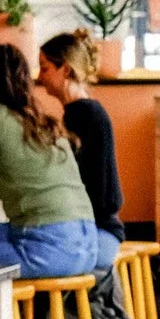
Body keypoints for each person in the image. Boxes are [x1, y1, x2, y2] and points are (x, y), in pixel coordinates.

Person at [0, 44, 100, 280]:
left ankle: (4, 315)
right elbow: (24, 172)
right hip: (88, 244)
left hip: (47, 248)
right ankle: (8, 316)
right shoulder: (42, 122)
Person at [38, 31, 123, 247]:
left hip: (97, 228)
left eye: (45, 68)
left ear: (65, 70)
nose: (39, 77)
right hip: (101, 224)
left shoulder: (81, 115)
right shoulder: (84, 111)